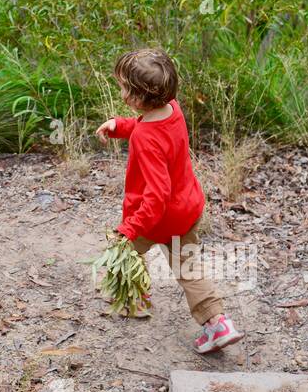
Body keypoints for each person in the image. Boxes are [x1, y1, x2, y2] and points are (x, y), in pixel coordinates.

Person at [95, 48, 243, 354]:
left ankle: (132, 301)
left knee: (125, 252)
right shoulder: (172, 109)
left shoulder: (144, 139)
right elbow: (151, 127)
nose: (120, 91)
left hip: (157, 217)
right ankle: (217, 324)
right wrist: (120, 125)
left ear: (135, 97)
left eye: (123, 87)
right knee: (188, 268)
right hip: (186, 209)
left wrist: (131, 227)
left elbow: (157, 194)